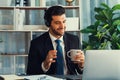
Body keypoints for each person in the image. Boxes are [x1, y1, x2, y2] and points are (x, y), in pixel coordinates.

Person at [26, 5, 84, 75]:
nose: (62, 26)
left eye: (64, 21)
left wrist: (81, 65)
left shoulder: (74, 40)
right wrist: (45, 64)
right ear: (48, 23)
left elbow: (80, 71)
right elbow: (31, 72)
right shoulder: (36, 44)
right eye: (57, 23)